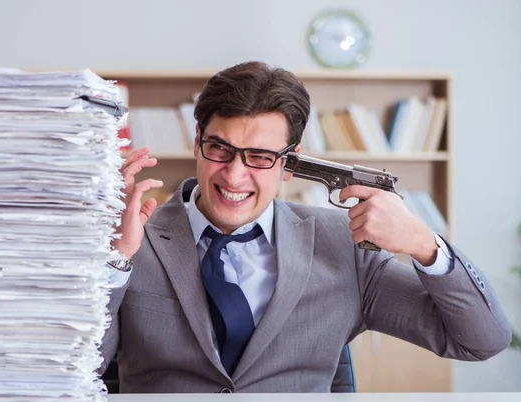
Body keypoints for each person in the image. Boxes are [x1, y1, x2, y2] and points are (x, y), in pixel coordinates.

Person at [98, 61, 512, 393]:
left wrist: (425, 245)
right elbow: (71, 373)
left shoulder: (343, 244)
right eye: (220, 149)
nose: (234, 176)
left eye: (259, 156)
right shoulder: (131, 237)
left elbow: (482, 341)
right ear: (197, 142)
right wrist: (114, 261)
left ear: (290, 163)